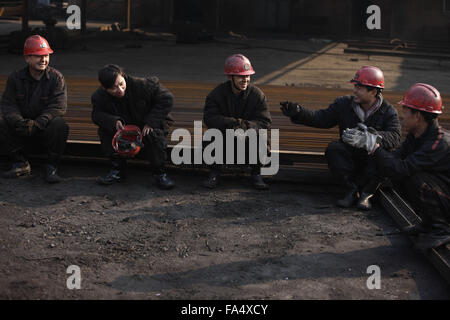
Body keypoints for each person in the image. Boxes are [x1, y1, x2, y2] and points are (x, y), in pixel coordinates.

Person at [280, 66, 401, 209]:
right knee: (334, 148)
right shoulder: (343, 104)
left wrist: (370, 138)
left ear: (374, 91)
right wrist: (299, 112)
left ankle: (367, 194)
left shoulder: (388, 111)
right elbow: (321, 119)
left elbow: (395, 136)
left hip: (371, 163)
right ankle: (351, 190)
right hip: (350, 159)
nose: (354, 90)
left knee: (384, 156)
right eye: (355, 86)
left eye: (359, 87)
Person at [346, 83, 449, 250]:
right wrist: (374, 141)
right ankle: (430, 223)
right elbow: (394, 159)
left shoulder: (438, 143)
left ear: (418, 116)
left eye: (405, 113)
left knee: (415, 178)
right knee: (393, 172)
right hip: (443, 193)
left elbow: (401, 168)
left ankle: (441, 229)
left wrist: (374, 148)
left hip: (445, 196)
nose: (402, 118)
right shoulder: (417, 136)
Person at [91, 64, 175, 189]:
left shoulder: (142, 85)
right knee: (105, 130)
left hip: (147, 123)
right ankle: (117, 170)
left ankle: (159, 173)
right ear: (104, 88)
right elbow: (96, 115)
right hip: (123, 127)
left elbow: (167, 98)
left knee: (153, 135)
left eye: (121, 83)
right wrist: (113, 121)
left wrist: (151, 121)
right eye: (114, 88)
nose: (120, 90)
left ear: (123, 76)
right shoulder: (98, 96)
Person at [0, 35, 68, 183]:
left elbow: (58, 106)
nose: (43, 60)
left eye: (46, 56)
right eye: (38, 56)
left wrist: (38, 123)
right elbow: (8, 105)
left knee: (60, 125)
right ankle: (20, 163)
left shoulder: (56, 78)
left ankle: (52, 166)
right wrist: (19, 122)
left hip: (43, 128)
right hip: (21, 129)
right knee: (2, 122)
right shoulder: (15, 78)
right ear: (27, 58)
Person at [202, 54, 272, 190]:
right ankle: (214, 172)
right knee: (211, 135)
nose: (245, 80)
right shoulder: (216, 94)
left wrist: (243, 128)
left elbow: (264, 121)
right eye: (241, 76)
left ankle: (256, 173)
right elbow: (209, 118)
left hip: (247, 137)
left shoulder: (257, 95)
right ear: (230, 77)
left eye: (247, 76)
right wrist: (233, 125)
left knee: (261, 137)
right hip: (225, 137)